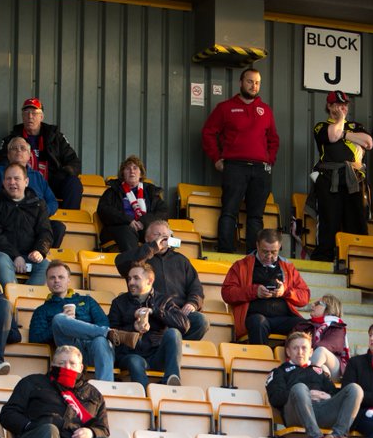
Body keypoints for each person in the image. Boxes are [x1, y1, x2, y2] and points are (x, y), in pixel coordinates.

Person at [0, 344, 114, 438]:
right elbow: (7, 414)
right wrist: (30, 426)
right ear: (52, 365)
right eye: (61, 363)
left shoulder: (94, 394)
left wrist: (91, 432)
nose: (67, 367)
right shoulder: (32, 382)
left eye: (72, 364)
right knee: (50, 430)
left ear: (81, 367)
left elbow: (103, 429)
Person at [200, 67, 280, 253]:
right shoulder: (225, 107)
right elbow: (208, 133)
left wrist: (269, 160)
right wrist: (216, 158)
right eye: (250, 81)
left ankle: (254, 255)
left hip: (260, 169)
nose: (254, 86)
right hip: (234, 167)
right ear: (241, 83)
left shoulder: (265, 110)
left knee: (256, 216)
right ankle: (226, 252)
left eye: (257, 82)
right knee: (229, 212)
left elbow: (274, 139)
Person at [29, 260, 136, 382]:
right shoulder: (42, 310)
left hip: (94, 349)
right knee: (59, 319)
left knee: (101, 340)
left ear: (69, 280)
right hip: (70, 350)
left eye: (61, 277)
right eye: (52, 277)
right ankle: (109, 333)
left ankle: (106, 389)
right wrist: (60, 325)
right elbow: (35, 338)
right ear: (47, 282)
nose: (56, 280)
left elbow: (103, 323)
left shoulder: (87, 301)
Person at [115, 220, 209, 341]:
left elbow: (195, 287)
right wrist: (152, 247)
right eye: (157, 234)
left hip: (176, 314)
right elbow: (121, 263)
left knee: (201, 321)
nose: (163, 238)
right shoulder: (140, 257)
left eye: (166, 235)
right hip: (151, 312)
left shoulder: (181, 260)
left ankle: (173, 347)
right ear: (147, 238)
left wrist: (192, 303)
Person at [266, 332, 363, 438]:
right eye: (295, 348)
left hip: (322, 411)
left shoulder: (319, 371)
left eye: (304, 348)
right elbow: (275, 398)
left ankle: (338, 435)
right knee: (300, 388)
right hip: (296, 414)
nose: (300, 352)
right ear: (288, 351)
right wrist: (306, 394)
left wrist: (328, 396)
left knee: (355, 389)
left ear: (311, 352)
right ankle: (316, 437)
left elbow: (333, 393)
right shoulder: (279, 372)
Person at [311, 90, 373, 262]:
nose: (342, 107)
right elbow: (332, 136)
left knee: (357, 220)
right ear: (329, 106)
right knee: (329, 220)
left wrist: (344, 133)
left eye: (344, 104)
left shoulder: (355, 126)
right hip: (329, 179)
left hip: (353, 179)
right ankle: (325, 258)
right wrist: (340, 122)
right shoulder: (321, 126)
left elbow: (368, 143)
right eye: (337, 104)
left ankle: (357, 261)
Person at [221, 229, 311, 345]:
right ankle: (262, 359)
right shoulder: (241, 265)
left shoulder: (288, 267)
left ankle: (288, 356)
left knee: (307, 326)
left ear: (280, 247)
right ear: (257, 246)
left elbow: (305, 296)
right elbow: (227, 293)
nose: (269, 256)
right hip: (255, 317)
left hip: (283, 317)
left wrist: (285, 291)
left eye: (274, 252)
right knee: (258, 323)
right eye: (265, 251)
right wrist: (254, 291)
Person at [107, 264, 187, 388]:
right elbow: (110, 332)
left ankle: (172, 382)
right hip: (129, 354)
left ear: (150, 281)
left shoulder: (163, 300)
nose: (131, 282)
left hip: (156, 354)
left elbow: (184, 324)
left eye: (136, 278)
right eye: (129, 279)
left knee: (174, 333)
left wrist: (154, 311)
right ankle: (144, 399)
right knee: (135, 361)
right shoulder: (119, 302)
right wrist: (134, 327)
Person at [0, 97, 83, 210]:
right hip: (26, 181)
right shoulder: (12, 137)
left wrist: (64, 173)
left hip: (51, 181)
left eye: (34, 113)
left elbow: (74, 161)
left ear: (41, 117)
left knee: (74, 184)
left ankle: (70, 221)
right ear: (22, 116)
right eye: (26, 113)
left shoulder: (55, 137)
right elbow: (0, 160)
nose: (30, 116)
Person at [0, 163, 53, 286]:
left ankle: (28, 299)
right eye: (8, 179)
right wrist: (15, 256)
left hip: (29, 256)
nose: (12, 182)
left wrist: (39, 251)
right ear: (3, 183)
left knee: (46, 265)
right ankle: (13, 296)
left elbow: (45, 232)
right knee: (0, 258)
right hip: (3, 255)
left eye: (17, 178)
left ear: (26, 182)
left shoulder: (38, 204)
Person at [96, 155, 168, 252]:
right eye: (128, 168)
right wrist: (128, 220)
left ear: (141, 173)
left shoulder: (150, 192)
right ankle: (134, 264)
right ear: (123, 174)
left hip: (145, 228)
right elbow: (103, 210)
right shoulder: (113, 191)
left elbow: (163, 211)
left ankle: (165, 264)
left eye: (135, 168)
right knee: (127, 231)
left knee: (166, 235)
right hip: (120, 228)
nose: (132, 171)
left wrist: (143, 222)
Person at [0, 137, 58, 214]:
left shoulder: (37, 176)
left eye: (23, 148)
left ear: (29, 156)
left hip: (35, 219)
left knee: (58, 226)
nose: (19, 150)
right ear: (8, 155)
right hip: (8, 218)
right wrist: (9, 210)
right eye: (14, 148)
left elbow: (52, 202)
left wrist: (41, 212)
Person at [298, 294, 349, 380]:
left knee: (321, 351)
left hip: (333, 365)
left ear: (329, 309)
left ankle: (304, 379)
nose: (312, 305)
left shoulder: (337, 326)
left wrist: (307, 350)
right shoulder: (305, 325)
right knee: (322, 369)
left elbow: (330, 345)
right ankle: (319, 384)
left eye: (318, 303)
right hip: (311, 361)